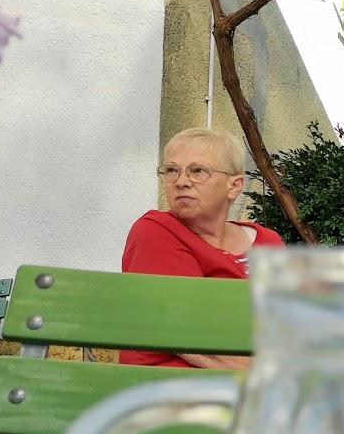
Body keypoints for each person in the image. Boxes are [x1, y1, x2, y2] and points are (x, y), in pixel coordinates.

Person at [120, 126, 284, 370]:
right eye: (171, 171)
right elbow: (186, 333)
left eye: (198, 171)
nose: (182, 182)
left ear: (234, 186)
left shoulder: (267, 241)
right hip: (169, 390)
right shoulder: (156, 231)